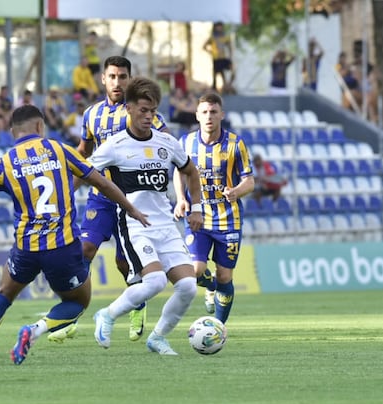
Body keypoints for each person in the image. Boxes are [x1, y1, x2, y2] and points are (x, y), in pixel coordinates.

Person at [0, 105, 148, 366]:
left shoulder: (6, 162)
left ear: (13, 132)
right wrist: (131, 208)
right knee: (78, 301)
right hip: (62, 247)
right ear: (40, 127)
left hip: (25, 248)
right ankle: (35, 330)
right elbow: (101, 182)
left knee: (4, 293)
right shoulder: (61, 151)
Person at [91, 77, 203, 356]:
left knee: (189, 286)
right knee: (154, 282)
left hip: (166, 224)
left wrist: (196, 207)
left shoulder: (167, 142)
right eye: (143, 110)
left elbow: (190, 171)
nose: (148, 116)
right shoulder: (115, 145)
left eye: (153, 111)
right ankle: (107, 314)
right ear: (128, 108)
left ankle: (158, 337)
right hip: (134, 224)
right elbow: (86, 172)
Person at [71, 55, 171, 344]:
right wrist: (68, 181)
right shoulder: (91, 114)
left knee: (124, 264)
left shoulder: (140, 111)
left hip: (134, 198)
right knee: (86, 248)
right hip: (100, 196)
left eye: (122, 76)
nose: (117, 82)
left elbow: (166, 143)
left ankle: (137, 304)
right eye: (112, 76)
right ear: (103, 79)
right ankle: (72, 310)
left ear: (130, 79)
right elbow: (84, 151)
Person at [174, 92, 254, 322]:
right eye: (205, 112)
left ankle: (218, 327)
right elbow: (178, 173)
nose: (209, 116)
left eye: (213, 112)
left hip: (228, 219)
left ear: (222, 115)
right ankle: (209, 286)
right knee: (196, 270)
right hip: (198, 216)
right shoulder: (186, 143)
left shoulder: (235, 144)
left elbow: (250, 180)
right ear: (197, 116)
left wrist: (236, 191)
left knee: (225, 276)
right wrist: (181, 198)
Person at [203, 22, 234, 94]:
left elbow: (229, 46)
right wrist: (211, 52)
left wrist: (230, 55)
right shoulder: (213, 37)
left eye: (221, 26)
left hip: (223, 57)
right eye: (218, 26)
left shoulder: (225, 36)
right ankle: (219, 87)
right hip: (216, 58)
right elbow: (204, 46)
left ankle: (226, 86)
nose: (220, 28)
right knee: (217, 72)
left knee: (227, 71)